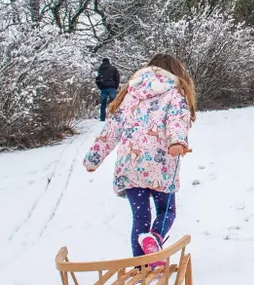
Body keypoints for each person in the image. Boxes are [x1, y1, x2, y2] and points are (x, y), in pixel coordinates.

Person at [84, 54, 196, 259]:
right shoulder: (175, 92)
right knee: (166, 211)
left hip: (130, 166)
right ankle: (153, 238)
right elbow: (177, 119)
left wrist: (93, 158)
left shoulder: (130, 93)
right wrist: (177, 141)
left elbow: (111, 130)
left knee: (140, 217)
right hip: (160, 166)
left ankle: (140, 266)